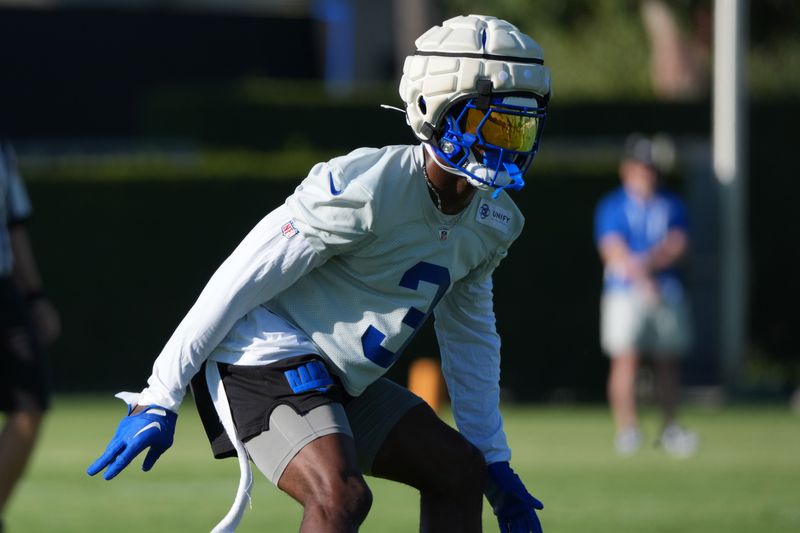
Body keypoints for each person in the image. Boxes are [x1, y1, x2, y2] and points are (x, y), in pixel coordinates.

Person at [87, 14, 551, 533]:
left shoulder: (495, 219)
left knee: (459, 471)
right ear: (434, 109)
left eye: (518, 125)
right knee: (340, 494)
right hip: (261, 354)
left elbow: (470, 337)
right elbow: (241, 276)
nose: (504, 142)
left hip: (339, 377)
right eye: (486, 121)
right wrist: (160, 393)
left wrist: (492, 458)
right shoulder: (367, 186)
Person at [594, 133, 698, 458]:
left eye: (650, 168)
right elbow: (612, 250)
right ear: (628, 169)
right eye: (640, 167)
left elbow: (679, 244)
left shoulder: (672, 204)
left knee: (668, 361)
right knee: (626, 359)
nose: (646, 173)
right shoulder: (612, 204)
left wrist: (649, 266)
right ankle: (628, 429)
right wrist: (640, 278)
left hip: (666, 290)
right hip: (624, 293)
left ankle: (670, 427)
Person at [0, 141, 61, 531]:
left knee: (30, 404)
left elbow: (13, 223)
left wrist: (35, 295)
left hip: (3, 291)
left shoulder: (3, 150)